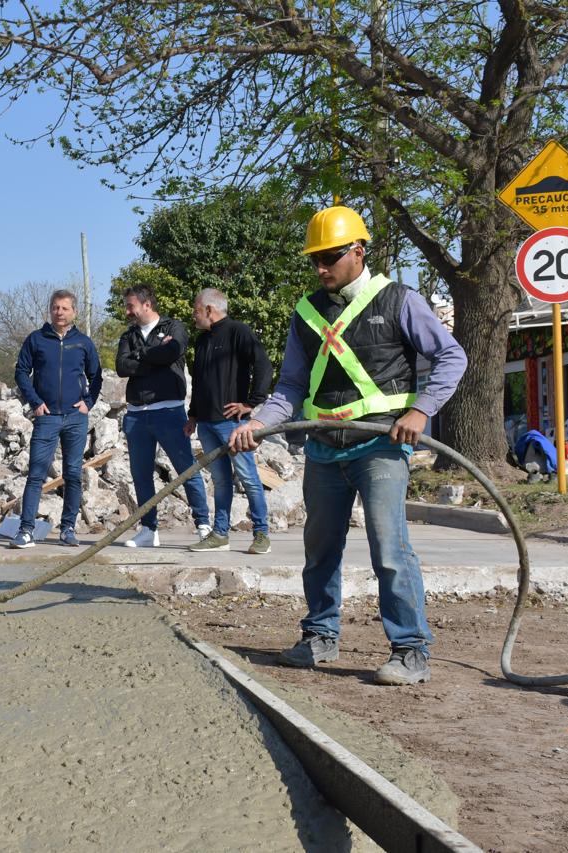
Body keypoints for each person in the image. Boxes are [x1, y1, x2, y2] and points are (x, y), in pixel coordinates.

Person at [230, 205, 467, 686]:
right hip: (322, 449)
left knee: (389, 549)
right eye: (314, 259)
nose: (321, 268)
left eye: (330, 257)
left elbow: (451, 356)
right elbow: (292, 386)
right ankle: (319, 636)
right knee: (319, 550)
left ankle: (410, 649)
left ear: (358, 252)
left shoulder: (398, 300)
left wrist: (420, 411)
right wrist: (258, 422)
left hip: (379, 447)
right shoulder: (307, 312)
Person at [115, 283, 212, 548]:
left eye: (131, 306)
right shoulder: (129, 335)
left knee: (186, 469)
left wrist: (141, 357)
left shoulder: (174, 328)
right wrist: (151, 357)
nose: (127, 312)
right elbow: (122, 366)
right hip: (136, 416)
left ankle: (204, 525)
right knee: (141, 474)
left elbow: (173, 351)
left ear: (147, 304)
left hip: (168, 412)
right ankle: (148, 529)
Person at [10, 289, 102, 548]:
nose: (59, 312)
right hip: (47, 417)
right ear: (50, 310)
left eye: (64, 308)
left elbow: (97, 376)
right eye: (55, 307)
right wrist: (35, 402)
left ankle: (68, 528)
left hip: (75, 418)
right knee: (36, 473)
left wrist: (89, 403)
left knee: (73, 474)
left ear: (74, 312)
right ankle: (26, 530)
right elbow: (20, 372)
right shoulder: (36, 339)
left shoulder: (83, 342)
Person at [185, 288, 274, 555]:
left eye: (196, 311)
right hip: (207, 423)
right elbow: (200, 381)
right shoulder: (201, 341)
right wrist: (193, 415)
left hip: (232, 423)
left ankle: (261, 534)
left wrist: (250, 402)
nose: (194, 316)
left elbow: (263, 365)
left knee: (248, 476)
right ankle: (220, 534)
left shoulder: (238, 331)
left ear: (210, 310)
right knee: (221, 480)